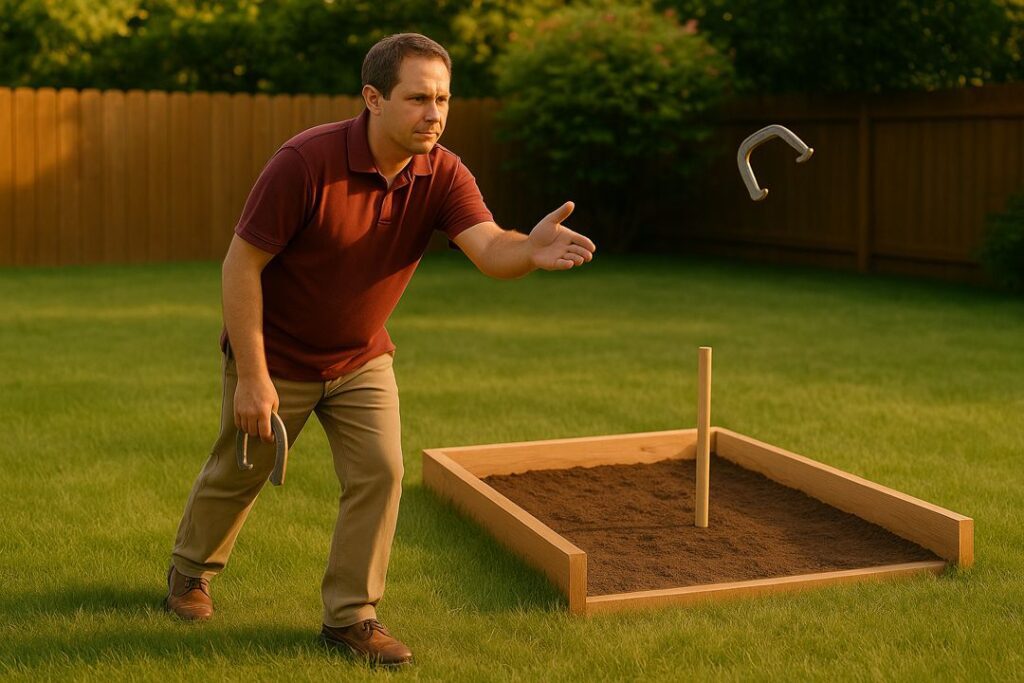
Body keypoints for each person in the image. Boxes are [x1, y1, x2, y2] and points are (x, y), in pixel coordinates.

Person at [164, 32, 596, 668]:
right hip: (277, 355)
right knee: (242, 468)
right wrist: (253, 377)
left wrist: (526, 252)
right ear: (373, 97)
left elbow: (488, 248)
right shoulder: (305, 162)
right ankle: (190, 572)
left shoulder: (443, 171)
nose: (435, 114)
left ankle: (350, 618)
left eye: (444, 99)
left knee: (381, 473)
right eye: (419, 98)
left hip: (362, 357)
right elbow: (240, 266)